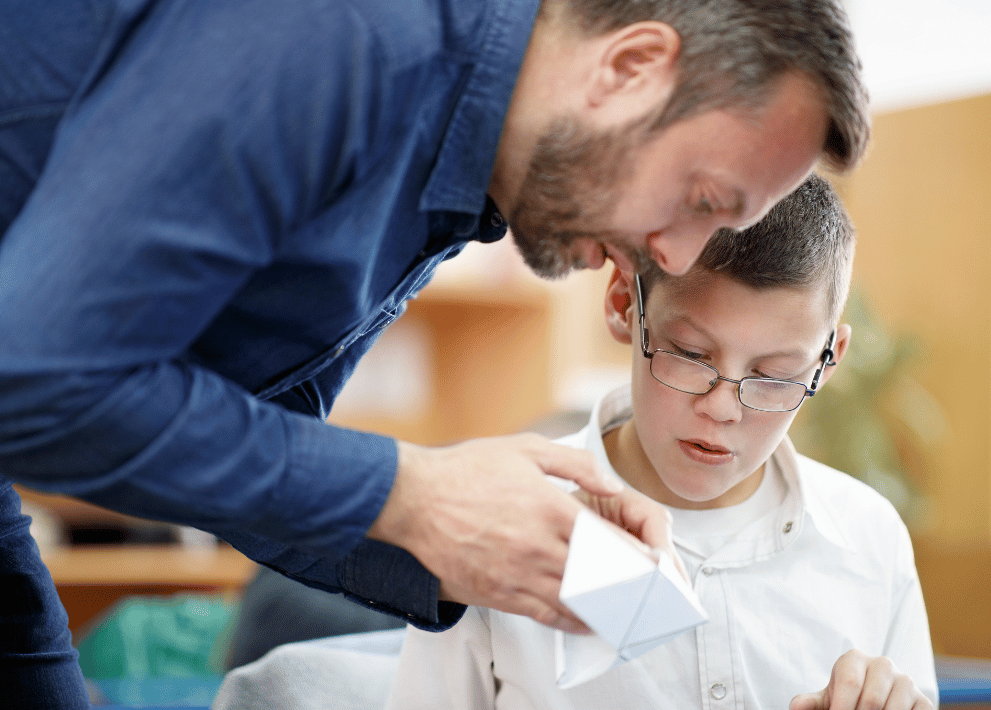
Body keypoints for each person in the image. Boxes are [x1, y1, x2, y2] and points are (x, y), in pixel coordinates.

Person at [0, 0, 868, 703]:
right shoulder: (345, 33)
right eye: (703, 199)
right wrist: (413, 493)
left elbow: (245, 452)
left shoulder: (453, 176)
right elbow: (23, 382)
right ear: (629, 67)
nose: (678, 255)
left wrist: (461, 539)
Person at [387, 175, 938, 710]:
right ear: (625, 303)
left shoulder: (870, 539)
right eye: (691, 354)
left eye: (773, 376)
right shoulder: (504, 522)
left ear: (829, 358)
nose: (722, 407)